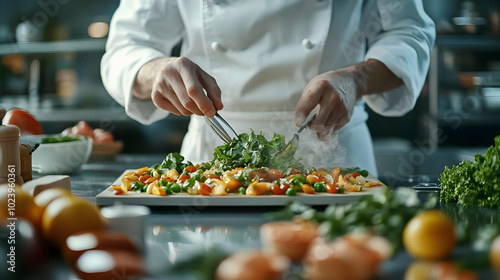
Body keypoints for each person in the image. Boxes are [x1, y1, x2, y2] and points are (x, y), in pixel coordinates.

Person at [101, 0, 435, 176]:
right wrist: (154, 70)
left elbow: (410, 32)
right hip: (210, 168)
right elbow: (125, 47)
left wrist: (356, 78)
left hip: (334, 160)